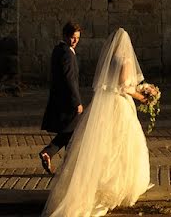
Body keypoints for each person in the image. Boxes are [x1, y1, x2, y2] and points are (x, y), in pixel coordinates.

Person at [41, 28, 152, 217]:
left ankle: (94, 181)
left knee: (102, 145)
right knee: (121, 146)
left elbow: (108, 83)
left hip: (106, 103)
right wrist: (142, 96)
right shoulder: (124, 60)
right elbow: (125, 86)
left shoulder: (110, 61)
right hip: (120, 105)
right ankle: (115, 185)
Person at [39, 21, 83, 175]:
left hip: (60, 99)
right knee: (71, 131)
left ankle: (54, 157)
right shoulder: (67, 53)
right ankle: (52, 154)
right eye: (72, 37)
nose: (75, 41)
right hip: (67, 101)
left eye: (77, 38)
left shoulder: (58, 50)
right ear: (65, 36)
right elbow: (69, 79)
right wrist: (77, 102)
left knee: (69, 132)